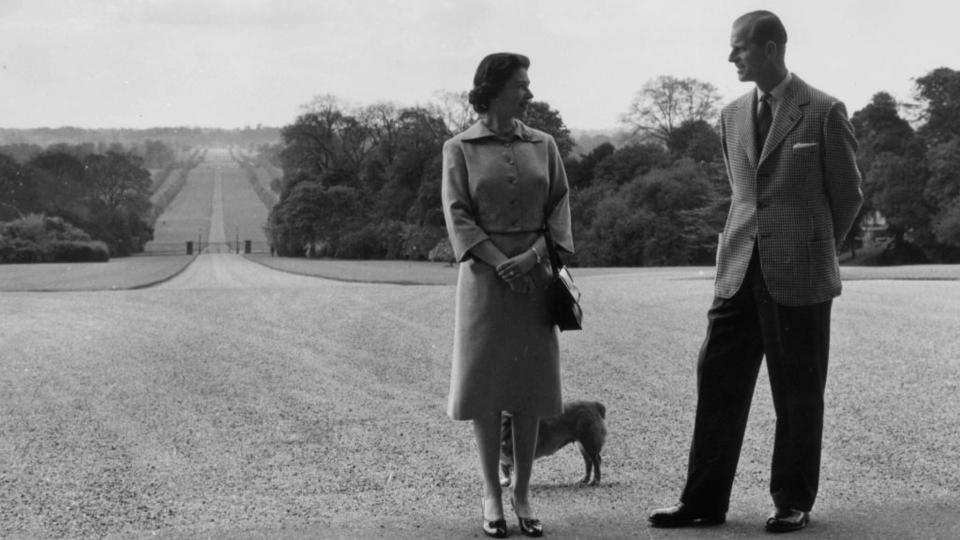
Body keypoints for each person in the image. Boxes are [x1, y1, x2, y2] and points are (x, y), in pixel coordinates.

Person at [648, 10, 863, 533]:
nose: (731, 56)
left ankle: (793, 501)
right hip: (739, 268)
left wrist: (816, 248)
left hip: (801, 273)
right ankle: (702, 501)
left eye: (740, 47)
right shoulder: (729, 115)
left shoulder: (825, 110)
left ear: (771, 48)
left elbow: (849, 195)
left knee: (797, 391)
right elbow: (746, 195)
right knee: (716, 382)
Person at [441, 52, 573, 539]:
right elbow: (458, 215)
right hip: (484, 282)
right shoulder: (459, 148)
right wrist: (501, 262)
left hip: (536, 279)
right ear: (494, 88)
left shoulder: (545, 144)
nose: (529, 92)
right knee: (488, 390)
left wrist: (534, 257)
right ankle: (492, 495)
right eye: (521, 83)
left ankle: (522, 493)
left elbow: (559, 208)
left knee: (530, 390)